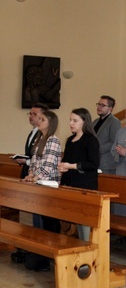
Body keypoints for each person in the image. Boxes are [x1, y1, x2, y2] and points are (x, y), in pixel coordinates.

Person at [22, 110, 62, 271]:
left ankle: (48, 255)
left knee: (48, 221)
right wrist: (30, 174)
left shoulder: (53, 140)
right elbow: (33, 162)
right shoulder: (39, 139)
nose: (38, 121)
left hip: (49, 184)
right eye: (38, 118)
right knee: (38, 220)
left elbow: (48, 165)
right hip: (38, 184)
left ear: (50, 123)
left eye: (42, 119)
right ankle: (40, 253)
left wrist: (35, 177)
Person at [58, 108, 100, 241]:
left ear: (84, 122)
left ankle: (86, 248)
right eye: (70, 120)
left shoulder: (91, 140)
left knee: (84, 220)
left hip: (85, 185)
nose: (71, 123)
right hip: (70, 184)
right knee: (75, 218)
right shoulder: (70, 140)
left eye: (75, 120)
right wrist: (62, 167)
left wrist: (71, 166)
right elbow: (67, 160)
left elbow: (93, 164)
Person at [15, 103, 49, 179]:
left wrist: (26, 161)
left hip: (36, 174)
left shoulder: (43, 135)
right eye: (30, 114)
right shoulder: (32, 132)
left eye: (34, 114)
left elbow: (42, 159)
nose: (31, 116)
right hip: (27, 171)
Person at [94, 95, 120, 174]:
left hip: (106, 164)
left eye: (102, 105)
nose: (99, 107)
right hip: (94, 161)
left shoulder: (114, 122)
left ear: (110, 109)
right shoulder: (95, 122)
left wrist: (96, 149)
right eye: (98, 104)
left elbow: (114, 142)